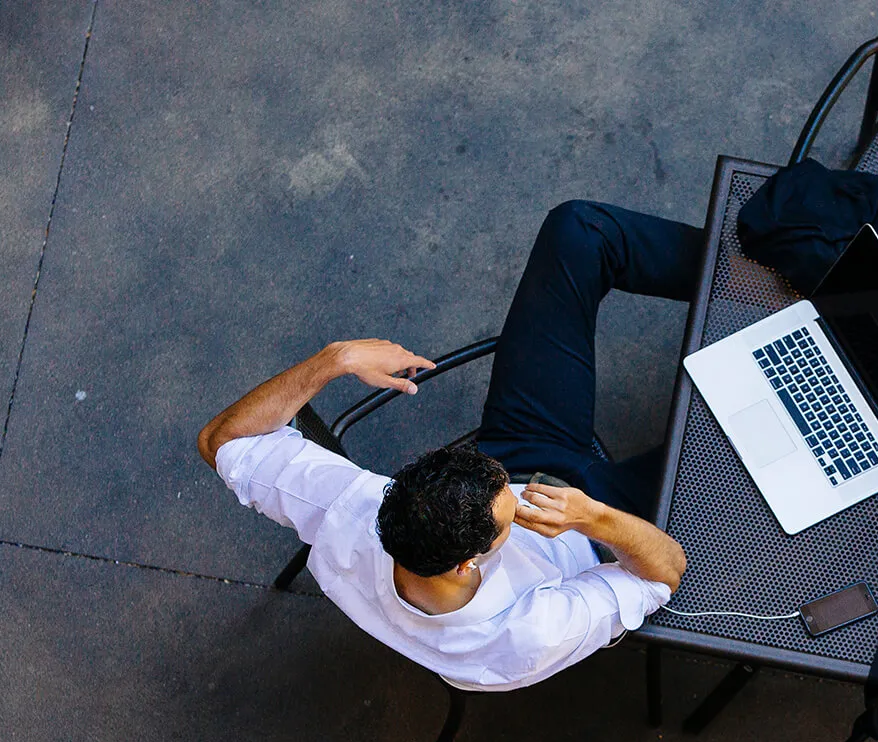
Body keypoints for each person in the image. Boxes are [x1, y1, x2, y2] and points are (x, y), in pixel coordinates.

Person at [197, 201, 701, 690]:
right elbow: (664, 572)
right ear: (468, 564)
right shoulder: (527, 634)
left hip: (520, 450)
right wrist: (592, 516)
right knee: (732, 443)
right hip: (595, 532)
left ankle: (745, 270)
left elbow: (220, 441)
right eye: (510, 515)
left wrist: (334, 359)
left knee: (578, 230)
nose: (527, 494)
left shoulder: (353, 512)